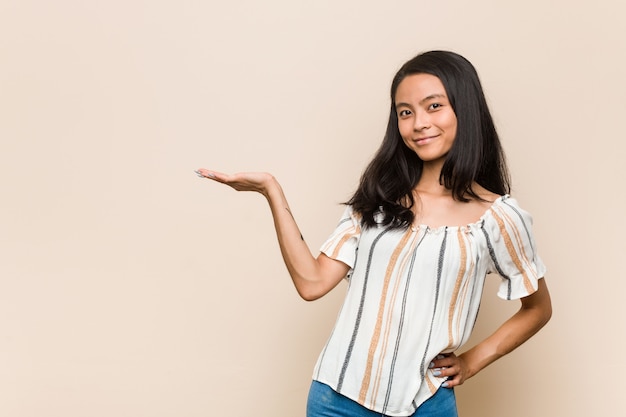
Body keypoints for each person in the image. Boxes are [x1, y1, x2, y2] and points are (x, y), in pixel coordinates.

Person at [195, 50, 552, 417]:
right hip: (336, 401)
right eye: (405, 112)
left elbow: (538, 309)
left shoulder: (499, 217)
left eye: (433, 106)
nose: (418, 124)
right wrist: (272, 190)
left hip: (428, 404)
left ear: (465, 110)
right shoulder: (379, 202)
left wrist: (474, 360)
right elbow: (311, 283)